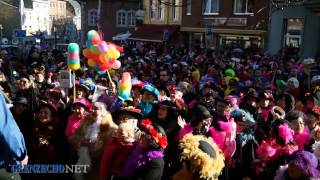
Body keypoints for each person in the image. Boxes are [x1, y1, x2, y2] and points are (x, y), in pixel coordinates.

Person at [0, 93, 28, 180]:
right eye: (18, 104)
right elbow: (6, 129)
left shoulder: (28, 117)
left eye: (23, 105)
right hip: (4, 164)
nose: (21, 107)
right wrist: (21, 155)